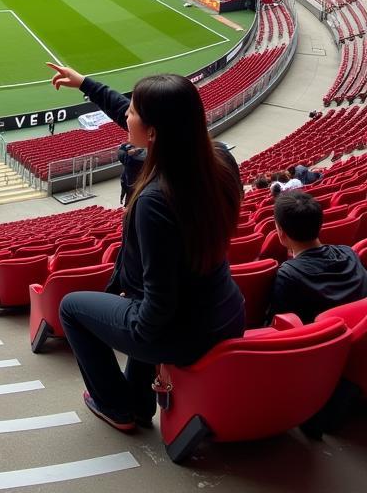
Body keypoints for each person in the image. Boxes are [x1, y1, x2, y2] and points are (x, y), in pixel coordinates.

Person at [47, 62, 244, 431]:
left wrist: (132, 330)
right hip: (224, 310)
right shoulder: (219, 159)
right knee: (134, 303)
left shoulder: (155, 201)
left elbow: (158, 307)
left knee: (71, 307)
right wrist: (85, 82)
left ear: (152, 133)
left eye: (133, 111)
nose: (126, 115)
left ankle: (117, 407)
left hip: (185, 332)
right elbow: (136, 115)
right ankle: (138, 403)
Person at [267, 191, 367, 323]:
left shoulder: (287, 276)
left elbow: (277, 324)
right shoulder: (349, 253)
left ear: (281, 232)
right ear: (319, 224)